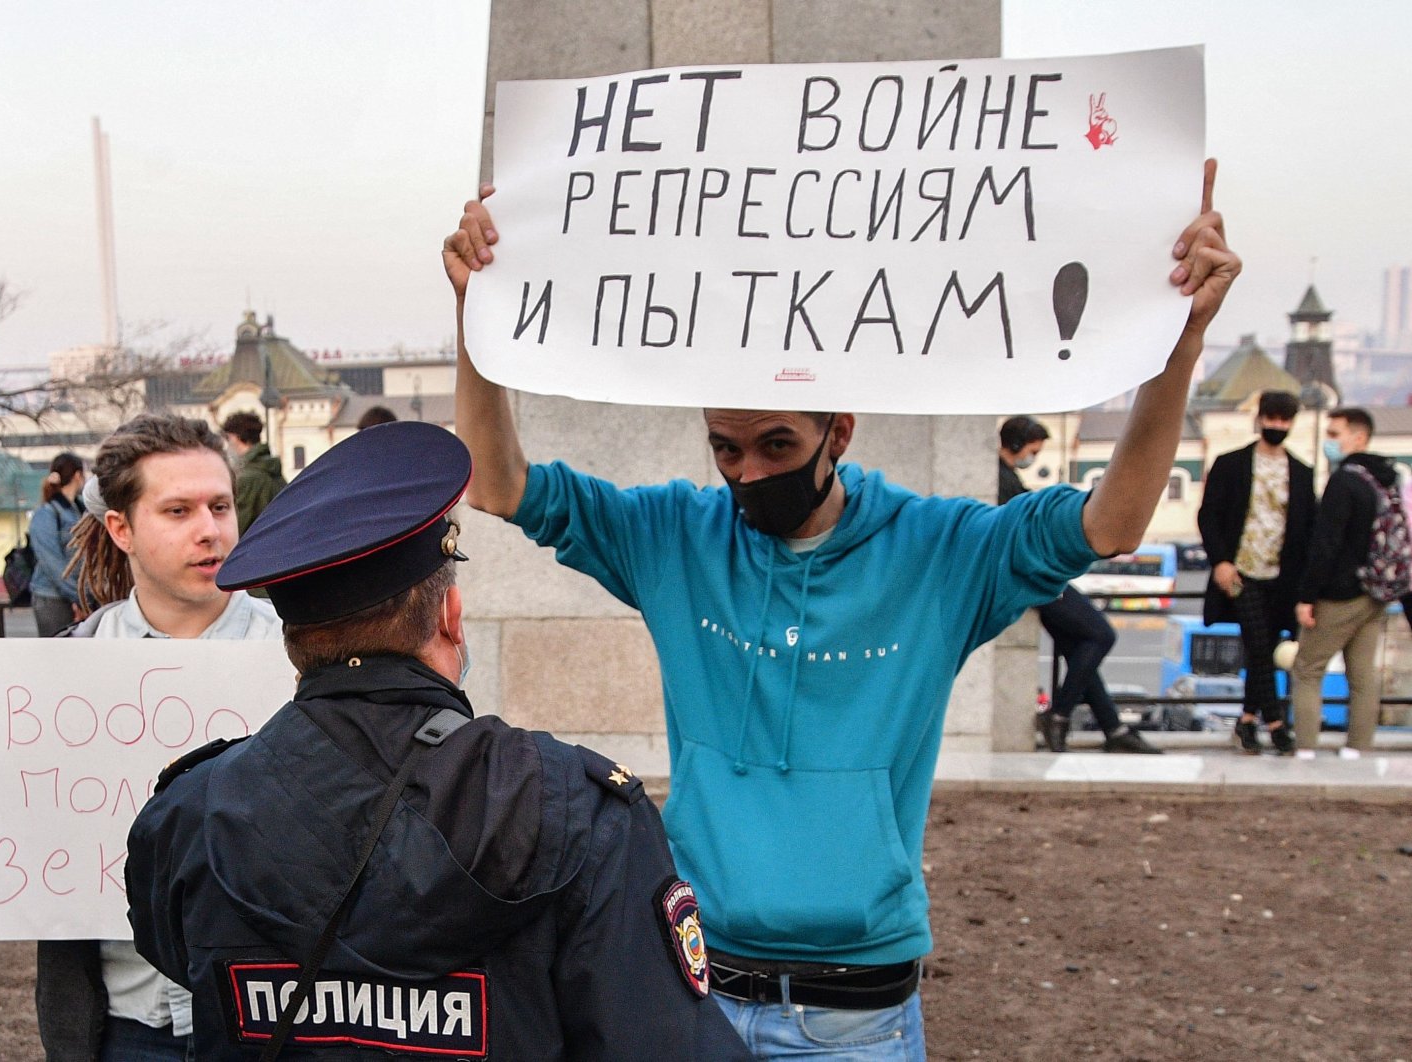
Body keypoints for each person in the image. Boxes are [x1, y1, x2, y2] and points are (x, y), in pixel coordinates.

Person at [442, 160, 1238, 1057]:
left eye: (776, 445)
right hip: (698, 996)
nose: (748, 474)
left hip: (858, 1017)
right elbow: (499, 481)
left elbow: (1112, 520)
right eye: (725, 449)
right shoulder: (673, 535)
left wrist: (1173, 352)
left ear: (840, 432)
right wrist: (479, 321)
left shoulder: (942, 552)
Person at [125, 419, 749, 1061]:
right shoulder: (578, 811)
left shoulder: (190, 812)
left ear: (295, 643)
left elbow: (175, 954)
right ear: (451, 620)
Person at [0, 413, 281, 1061]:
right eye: (178, 510)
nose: (210, 530)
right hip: (121, 1027)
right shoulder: (60, 671)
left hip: (271, 1022)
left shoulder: (298, 658)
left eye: (219, 506)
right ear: (121, 528)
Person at [997, 417, 1160, 755]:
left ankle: (1113, 729)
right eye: (1033, 450)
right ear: (1017, 444)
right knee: (1101, 635)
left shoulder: (1004, 476)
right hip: (1036, 577)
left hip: (1036, 575)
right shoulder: (1000, 478)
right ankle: (1058, 716)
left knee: (1078, 647)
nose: (1034, 457)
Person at [1198, 390, 1316, 754]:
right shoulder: (1230, 463)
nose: (1277, 426)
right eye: (1272, 418)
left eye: (1284, 420)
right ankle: (1278, 724)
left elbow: (1308, 528)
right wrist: (1220, 560)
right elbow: (1208, 515)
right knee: (1260, 645)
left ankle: (1248, 721)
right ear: (1260, 419)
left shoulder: (1301, 471)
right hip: (1239, 574)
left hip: (1282, 578)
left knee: (1260, 648)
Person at [1292, 407, 1399, 758]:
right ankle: (1358, 747)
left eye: (1335, 434)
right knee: (1362, 674)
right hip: (1377, 590)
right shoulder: (1386, 478)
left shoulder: (1344, 481)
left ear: (1358, 437)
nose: (1328, 441)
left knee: (1307, 668)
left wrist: (1307, 595)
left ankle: (1306, 747)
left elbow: (1325, 544)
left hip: (1339, 594)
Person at [29, 452, 87, 637]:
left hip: (73, 595)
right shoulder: (47, 513)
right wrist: (79, 597)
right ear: (78, 475)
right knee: (55, 658)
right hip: (51, 598)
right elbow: (52, 563)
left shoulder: (80, 510)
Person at [221, 411, 287, 535]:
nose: (228, 445)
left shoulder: (248, 478)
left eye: (228, 438)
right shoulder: (270, 468)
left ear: (236, 437)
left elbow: (237, 528)